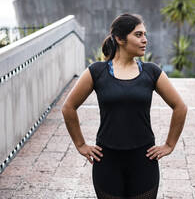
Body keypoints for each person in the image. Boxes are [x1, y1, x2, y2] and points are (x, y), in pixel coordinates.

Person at [61, 13, 187, 198]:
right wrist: (81, 144)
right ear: (120, 38)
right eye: (138, 35)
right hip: (107, 161)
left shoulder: (151, 72)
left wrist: (169, 145)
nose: (145, 40)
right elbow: (68, 107)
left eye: (145, 34)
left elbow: (180, 106)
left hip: (144, 161)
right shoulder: (97, 72)